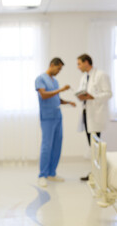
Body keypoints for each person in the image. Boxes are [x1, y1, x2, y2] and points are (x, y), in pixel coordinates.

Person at [35, 58, 76, 187]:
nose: (59, 71)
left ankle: (52, 173)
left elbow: (56, 98)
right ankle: (42, 175)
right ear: (52, 65)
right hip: (47, 116)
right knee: (47, 146)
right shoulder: (40, 79)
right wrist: (61, 89)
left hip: (58, 116)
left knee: (57, 145)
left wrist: (68, 102)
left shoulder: (55, 81)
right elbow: (44, 95)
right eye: (58, 68)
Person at [76, 54, 112, 181]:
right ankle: (94, 172)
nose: (78, 67)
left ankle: (98, 173)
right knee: (92, 146)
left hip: (96, 115)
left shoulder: (101, 75)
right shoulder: (84, 77)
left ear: (86, 62)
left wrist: (93, 97)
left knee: (96, 145)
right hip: (87, 113)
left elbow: (108, 93)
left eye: (79, 64)